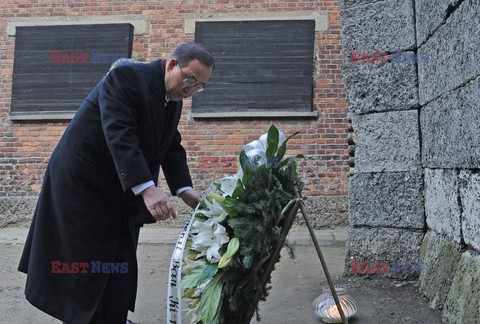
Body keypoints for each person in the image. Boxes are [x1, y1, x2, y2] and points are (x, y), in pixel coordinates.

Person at [18, 42, 215, 323]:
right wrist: (147, 188)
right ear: (172, 64)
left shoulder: (172, 99)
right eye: (189, 79)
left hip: (118, 189)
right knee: (84, 265)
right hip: (83, 185)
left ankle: (112, 316)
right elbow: (120, 133)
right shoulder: (125, 77)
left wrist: (185, 190)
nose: (191, 89)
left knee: (119, 259)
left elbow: (170, 143)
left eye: (199, 86)